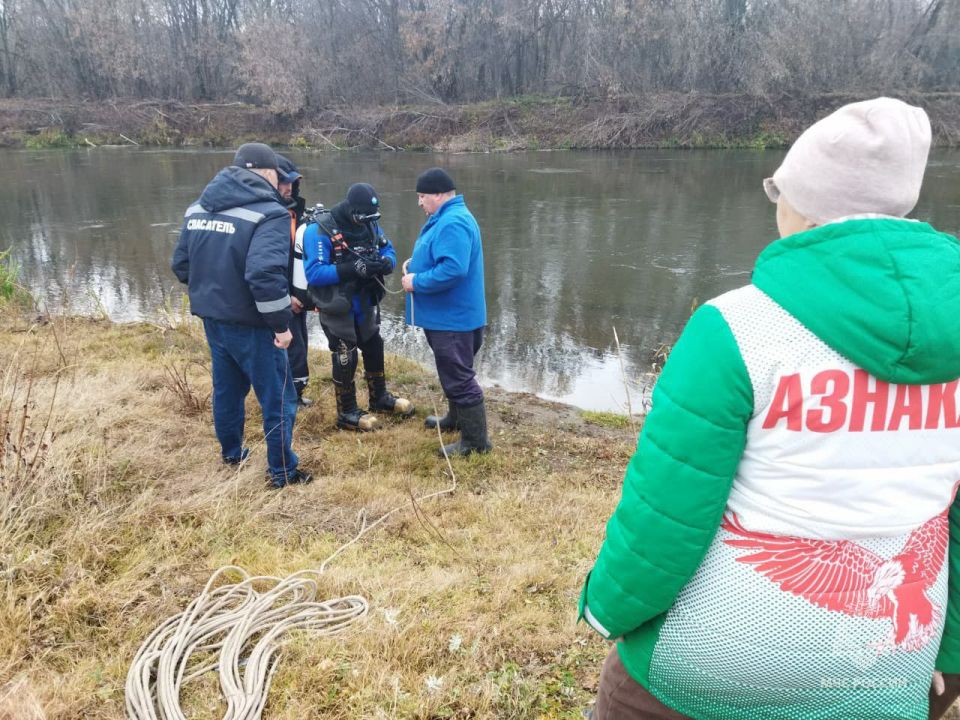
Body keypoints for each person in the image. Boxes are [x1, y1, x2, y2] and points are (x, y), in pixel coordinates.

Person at [578, 98, 960, 720]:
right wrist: (951, 651)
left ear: (804, 207)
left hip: (712, 661)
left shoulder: (734, 327)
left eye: (777, 188)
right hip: (887, 662)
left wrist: (608, 609)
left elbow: (668, 510)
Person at [171, 142, 312, 489]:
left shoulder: (197, 208)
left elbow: (181, 266)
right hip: (253, 325)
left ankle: (231, 454)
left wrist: (214, 291)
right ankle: (282, 472)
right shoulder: (271, 213)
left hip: (213, 320)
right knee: (278, 396)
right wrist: (280, 325)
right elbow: (264, 277)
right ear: (267, 173)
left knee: (227, 389)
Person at [301, 182, 414, 431]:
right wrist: (354, 268)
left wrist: (386, 262)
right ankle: (347, 411)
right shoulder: (319, 230)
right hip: (336, 303)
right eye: (363, 216)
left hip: (364, 299)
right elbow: (315, 273)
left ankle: (379, 398)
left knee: (374, 344)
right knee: (345, 352)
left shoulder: (370, 223)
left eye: (371, 218)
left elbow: (388, 248)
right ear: (352, 210)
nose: (366, 222)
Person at [402, 167, 492, 457]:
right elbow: (445, 259)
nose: (419, 202)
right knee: (451, 371)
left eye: (422, 196)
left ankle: (476, 444)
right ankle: (456, 419)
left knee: (459, 377)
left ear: (439, 195)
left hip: (453, 319)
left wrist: (415, 280)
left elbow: (453, 269)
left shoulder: (452, 222)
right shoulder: (446, 217)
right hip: (450, 316)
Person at [275, 153, 313, 407]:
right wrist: (284, 295)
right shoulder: (269, 215)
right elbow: (265, 265)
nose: (289, 188)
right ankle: (283, 398)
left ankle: (295, 394)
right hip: (276, 295)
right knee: (284, 344)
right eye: (283, 182)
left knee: (299, 342)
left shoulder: (296, 213)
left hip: (295, 293)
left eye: (292, 183)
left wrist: (301, 293)